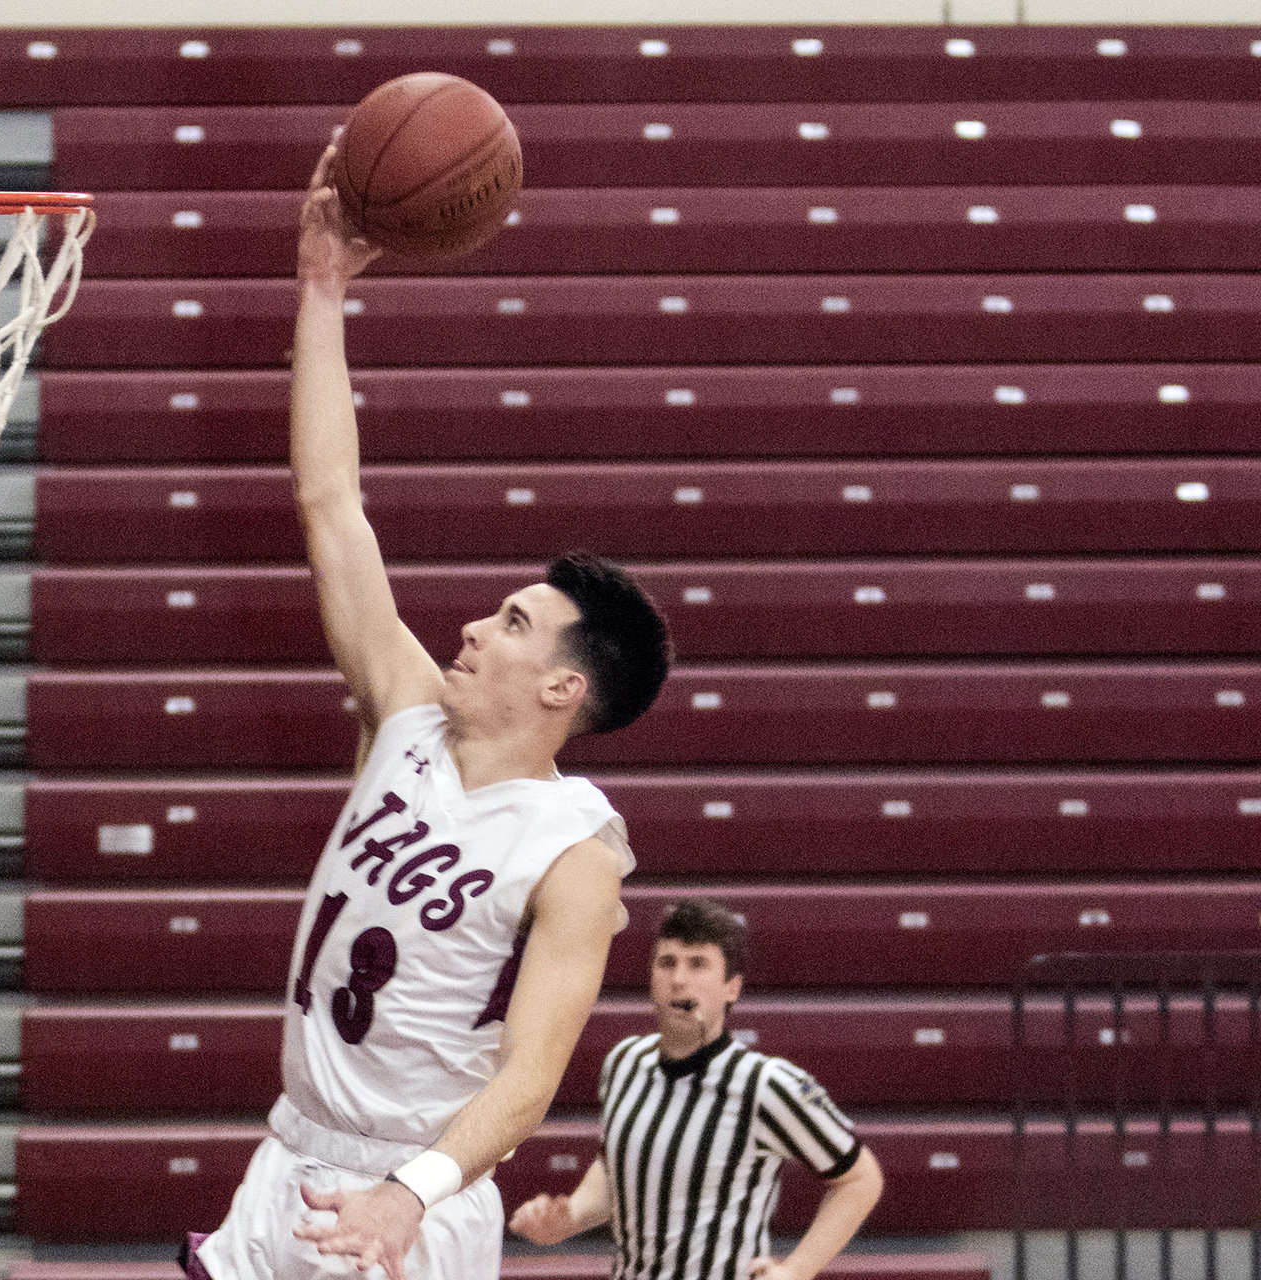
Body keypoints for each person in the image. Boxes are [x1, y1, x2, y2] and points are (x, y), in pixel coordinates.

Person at [186, 138, 673, 1280]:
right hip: (288, 1151)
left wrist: (411, 1197)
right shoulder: (404, 710)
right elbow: (331, 504)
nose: (470, 627)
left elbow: (530, 1080)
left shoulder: (573, 853)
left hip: (410, 1186)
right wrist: (320, 288)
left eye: (512, 622)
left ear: (565, 686)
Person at [509, 899, 885, 1280]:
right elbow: (619, 1169)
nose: (679, 979)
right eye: (667, 963)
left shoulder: (764, 1084)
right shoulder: (626, 1061)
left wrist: (797, 1270)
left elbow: (860, 1179)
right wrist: (569, 1217)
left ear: (732, 988)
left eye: (698, 964)